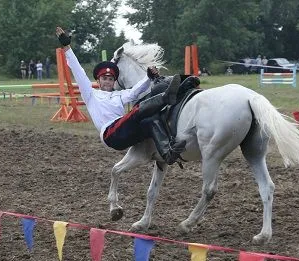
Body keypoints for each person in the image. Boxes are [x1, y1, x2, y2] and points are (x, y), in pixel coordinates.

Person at [55, 26, 198, 165]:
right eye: (104, 79)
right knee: (136, 111)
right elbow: (78, 71)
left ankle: (168, 152)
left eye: (111, 79)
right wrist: (67, 48)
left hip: (126, 131)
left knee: (151, 121)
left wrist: (149, 77)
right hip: (110, 135)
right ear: (98, 81)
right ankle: (166, 97)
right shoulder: (91, 94)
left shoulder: (119, 95)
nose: (108, 82)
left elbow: (136, 90)